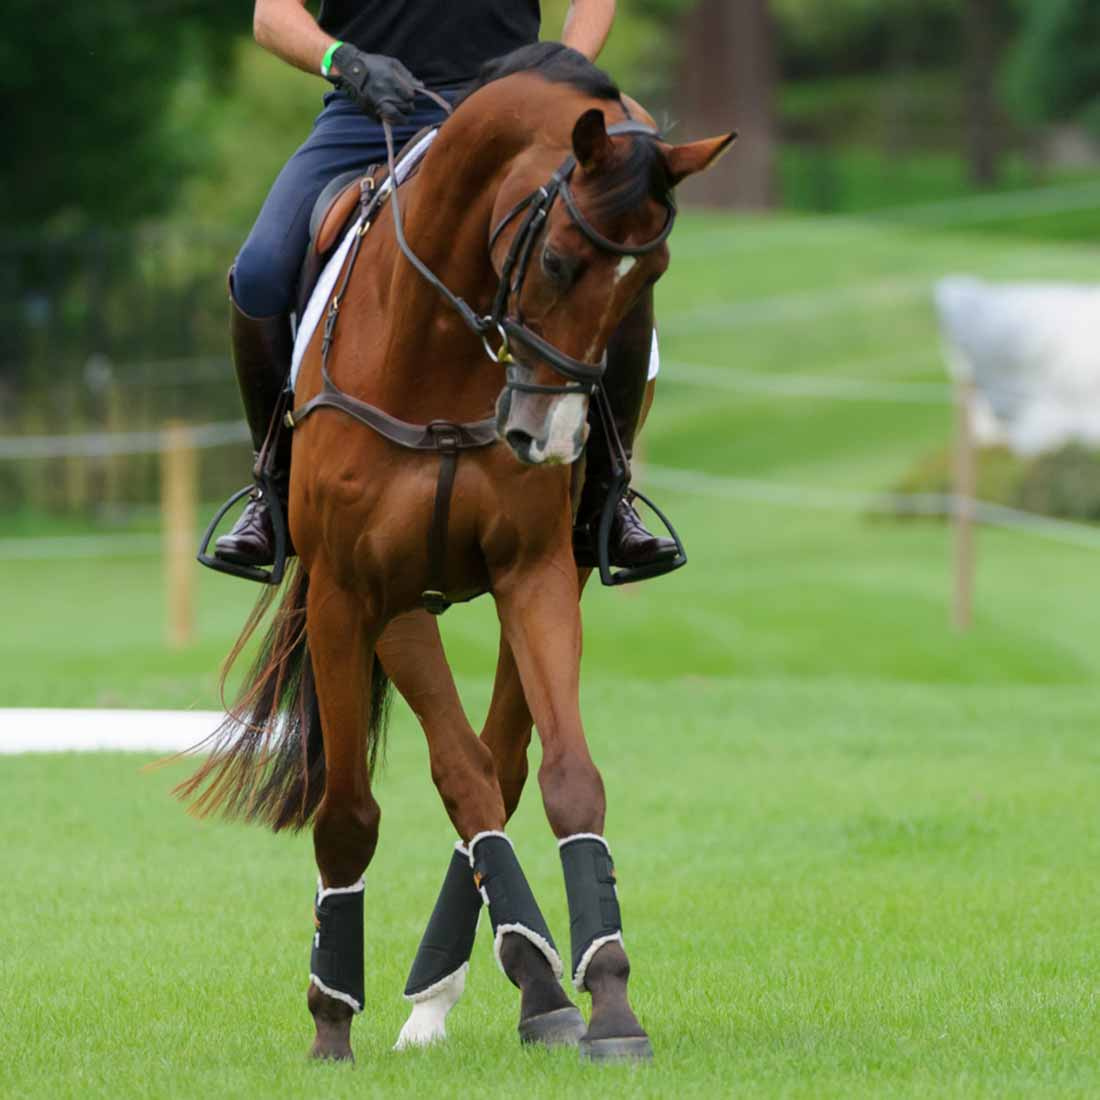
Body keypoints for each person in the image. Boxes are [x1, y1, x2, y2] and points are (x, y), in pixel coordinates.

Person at [215, 0, 677, 572]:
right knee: (260, 271)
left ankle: (609, 495)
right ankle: (274, 491)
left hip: (512, 122)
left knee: (615, 246)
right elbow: (272, 16)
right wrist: (347, 63)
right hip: (369, 112)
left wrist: (558, 76)